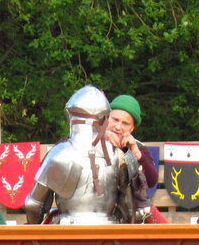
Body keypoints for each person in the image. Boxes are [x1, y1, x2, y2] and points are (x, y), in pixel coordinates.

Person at [24, 84, 147, 225]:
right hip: (109, 233)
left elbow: (33, 204)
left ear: (71, 115)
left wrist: (34, 231)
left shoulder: (59, 154)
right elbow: (130, 209)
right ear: (104, 118)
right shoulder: (119, 156)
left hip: (66, 233)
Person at [106, 93, 160, 218]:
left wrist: (135, 153)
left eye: (125, 123)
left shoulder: (138, 147)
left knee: (168, 234)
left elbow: (152, 181)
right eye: (115, 119)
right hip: (94, 209)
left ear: (132, 128)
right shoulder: (92, 143)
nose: (118, 126)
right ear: (106, 118)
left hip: (129, 211)